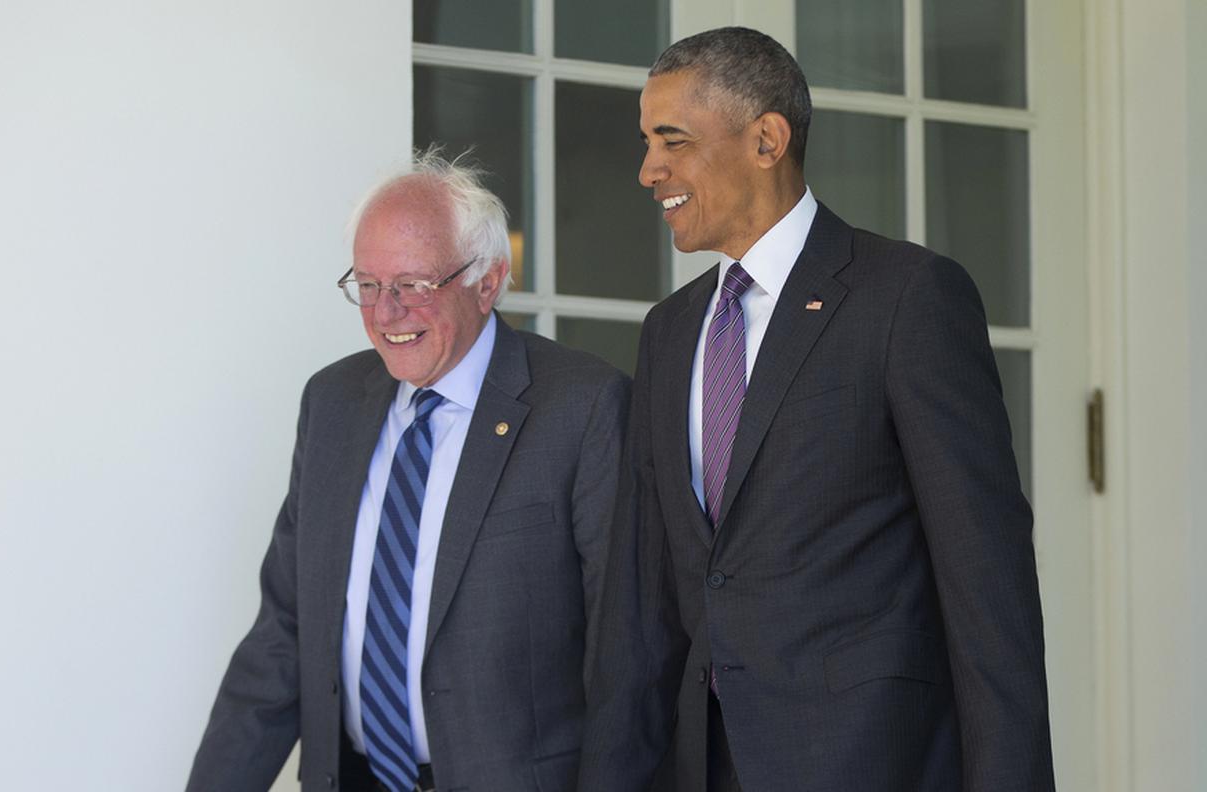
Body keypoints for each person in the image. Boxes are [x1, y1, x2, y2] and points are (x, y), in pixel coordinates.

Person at [580, 27, 1054, 792]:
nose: (648, 170)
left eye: (672, 141)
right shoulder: (668, 333)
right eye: (646, 142)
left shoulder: (906, 298)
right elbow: (641, 610)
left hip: (870, 763)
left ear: (766, 139)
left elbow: (986, 582)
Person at [188, 150, 629, 792]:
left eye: (413, 285)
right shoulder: (332, 403)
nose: (385, 312)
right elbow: (285, 634)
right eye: (367, 285)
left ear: (488, 280)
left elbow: (622, 655)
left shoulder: (583, 406)